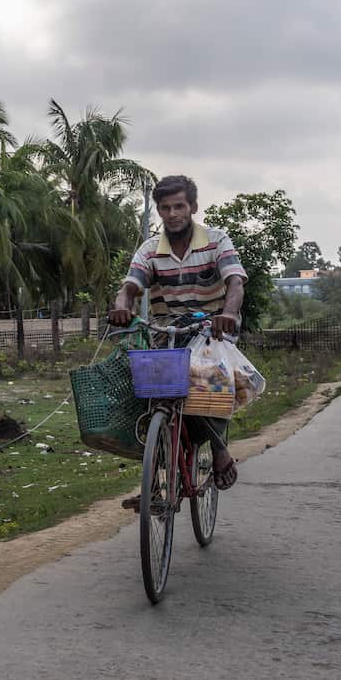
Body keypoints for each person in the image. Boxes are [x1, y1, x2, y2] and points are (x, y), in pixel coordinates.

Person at [109, 175, 247, 490]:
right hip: (166, 331)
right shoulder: (149, 250)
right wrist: (122, 305)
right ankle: (154, 480)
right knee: (142, 391)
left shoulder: (216, 240)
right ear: (159, 211)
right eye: (165, 208)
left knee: (205, 386)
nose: (173, 214)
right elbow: (130, 286)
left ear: (193, 207)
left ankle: (218, 446)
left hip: (212, 330)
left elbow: (235, 282)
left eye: (179, 206)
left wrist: (228, 313)